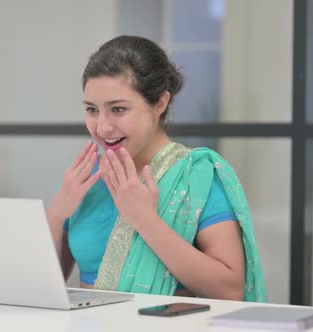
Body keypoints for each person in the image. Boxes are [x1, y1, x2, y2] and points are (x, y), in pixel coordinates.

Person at [46, 35, 267, 302]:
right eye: (92, 110)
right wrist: (58, 214)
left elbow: (230, 290)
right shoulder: (83, 178)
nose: (102, 127)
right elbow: (43, 285)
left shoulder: (196, 176)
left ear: (160, 103)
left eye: (118, 109)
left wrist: (144, 220)